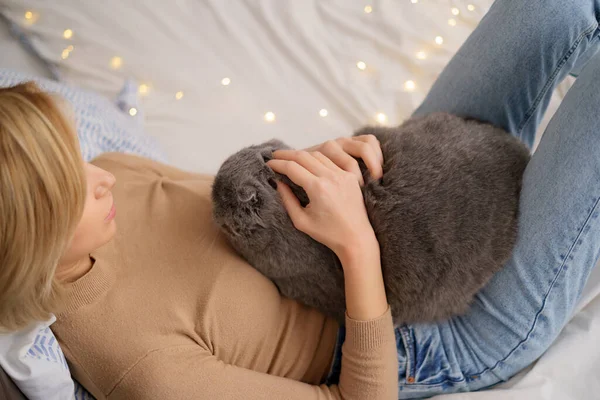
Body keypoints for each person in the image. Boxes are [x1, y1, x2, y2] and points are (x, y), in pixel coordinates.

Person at [1, 0, 599, 398]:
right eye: (70, 189)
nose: (100, 175)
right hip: (433, 333)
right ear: (28, 241)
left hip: (402, 203)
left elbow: (251, 220)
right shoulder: (136, 364)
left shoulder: (112, 175)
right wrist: (358, 247)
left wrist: (325, 163)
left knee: (555, 8)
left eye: (73, 155)